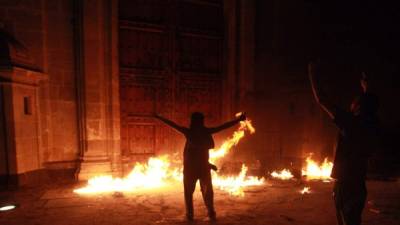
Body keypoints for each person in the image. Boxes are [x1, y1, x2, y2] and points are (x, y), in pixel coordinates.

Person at [308, 62, 379, 225]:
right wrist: (366, 88)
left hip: (346, 186)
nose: (351, 103)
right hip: (358, 183)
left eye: (354, 102)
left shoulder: (352, 124)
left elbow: (322, 99)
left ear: (358, 107)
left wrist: (312, 72)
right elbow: (371, 107)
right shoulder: (372, 124)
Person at [155, 112, 246, 221]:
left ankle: (190, 215)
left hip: (191, 170)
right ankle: (211, 214)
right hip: (203, 168)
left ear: (192, 121)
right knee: (207, 193)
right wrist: (237, 120)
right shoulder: (206, 132)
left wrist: (159, 117)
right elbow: (222, 127)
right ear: (201, 121)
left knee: (189, 193)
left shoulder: (189, 133)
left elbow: (173, 124)